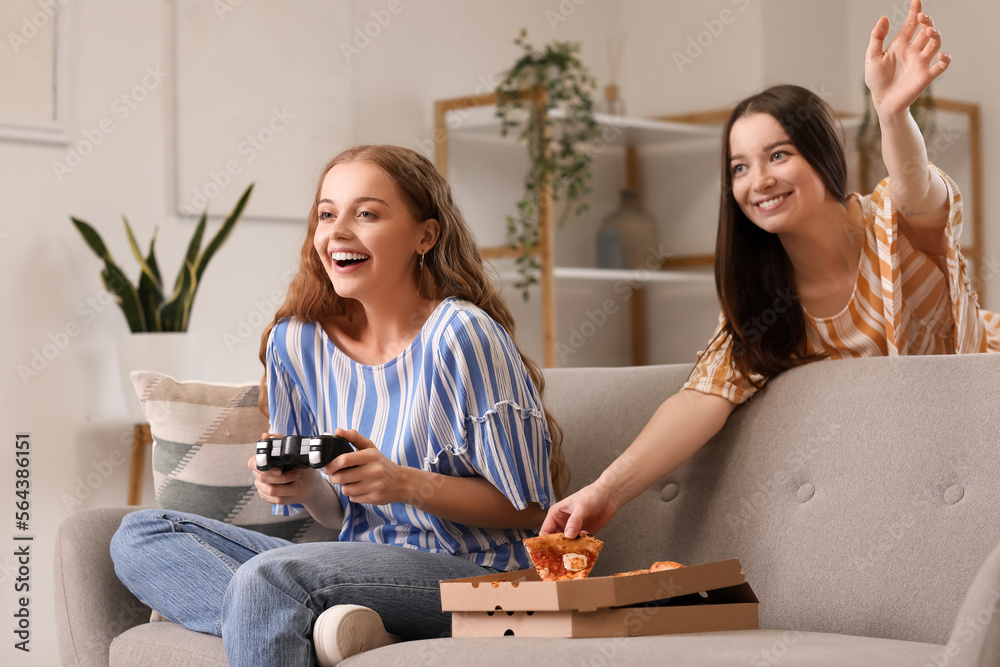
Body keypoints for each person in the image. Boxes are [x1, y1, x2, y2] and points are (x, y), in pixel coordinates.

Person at [542, 0, 1000, 540]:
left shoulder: (892, 222)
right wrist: (604, 491)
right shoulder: (762, 297)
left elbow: (917, 187)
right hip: (910, 474)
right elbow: (703, 395)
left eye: (778, 155)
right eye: (740, 167)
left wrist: (892, 113)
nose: (758, 181)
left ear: (822, 155)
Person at [111, 145, 565, 666]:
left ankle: (302, 618)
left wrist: (406, 483)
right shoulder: (297, 342)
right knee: (141, 536)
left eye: (367, 213)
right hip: (362, 565)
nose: (337, 232)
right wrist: (305, 486)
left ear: (426, 235)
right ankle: (334, 627)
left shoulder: (461, 336)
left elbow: (532, 510)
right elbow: (342, 516)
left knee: (272, 581)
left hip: (479, 577)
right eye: (327, 214)